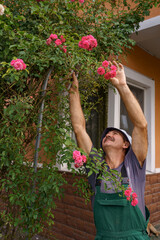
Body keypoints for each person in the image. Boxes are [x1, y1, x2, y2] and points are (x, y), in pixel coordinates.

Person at [69, 61, 150, 240]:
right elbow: (79, 128)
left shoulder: (134, 165)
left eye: (115, 133)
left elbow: (141, 125)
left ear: (126, 145)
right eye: (106, 134)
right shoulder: (95, 167)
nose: (109, 135)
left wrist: (122, 85)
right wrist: (73, 88)